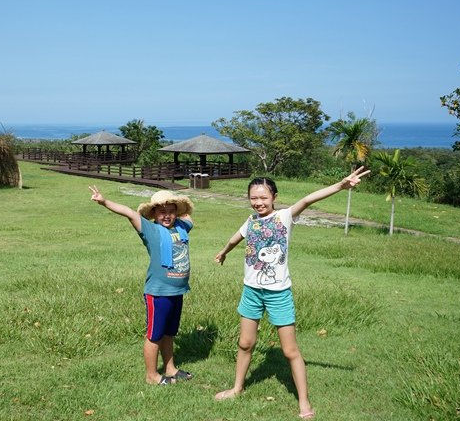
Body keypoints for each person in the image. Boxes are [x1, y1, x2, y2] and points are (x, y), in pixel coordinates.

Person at [213, 166, 370, 419]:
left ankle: (304, 403)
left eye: (264, 197)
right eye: (254, 198)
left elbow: (308, 199)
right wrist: (224, 251)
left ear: (274, 196)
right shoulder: (251, 221)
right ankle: (237, 388)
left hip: (278, 293)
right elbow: (236, 238)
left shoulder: (285, 216)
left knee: (289, 351)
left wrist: (341, 186)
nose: (258, 202)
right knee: (245, 343)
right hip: (251, 291)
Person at [89, 186, 196, 385]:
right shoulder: (150, 229)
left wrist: (180, 207)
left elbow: (189, 217)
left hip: (177, 291)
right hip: (158, 292)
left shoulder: (181, 227)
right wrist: (104, 202)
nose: (167, 215)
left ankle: (170, 368)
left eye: (171, 211)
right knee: (155, 334)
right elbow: (129, 212)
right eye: (162, 211)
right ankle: (152, 376)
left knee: (169, 332)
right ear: (153, 214)